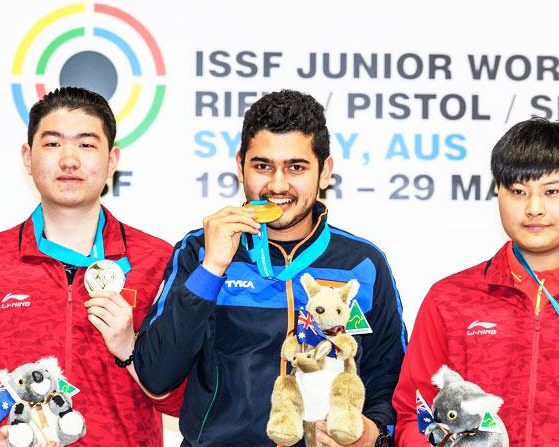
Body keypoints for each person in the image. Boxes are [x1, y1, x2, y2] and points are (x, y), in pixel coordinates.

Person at [132, 89, 406, 446]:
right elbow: (156, 375)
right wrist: (213, 268)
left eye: (296, 167)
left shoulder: (362, 263)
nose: (277, 185)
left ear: (325, 171)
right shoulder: (200, 251)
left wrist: (374, 432)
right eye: (262, 166)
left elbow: (392, 381)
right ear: (240, 166)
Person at [392, 118, 559, 446]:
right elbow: (415, 414)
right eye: (518, 191)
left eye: (552, 191)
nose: (534, 208)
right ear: (498, 191)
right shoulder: (450, 300)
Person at [0, 87, 182, 447]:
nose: (69, 160)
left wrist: (131, 348)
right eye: (53, 144)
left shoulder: (157, 261)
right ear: (27, 158)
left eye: (87, 144)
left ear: (112, 160)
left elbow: (183, 401)